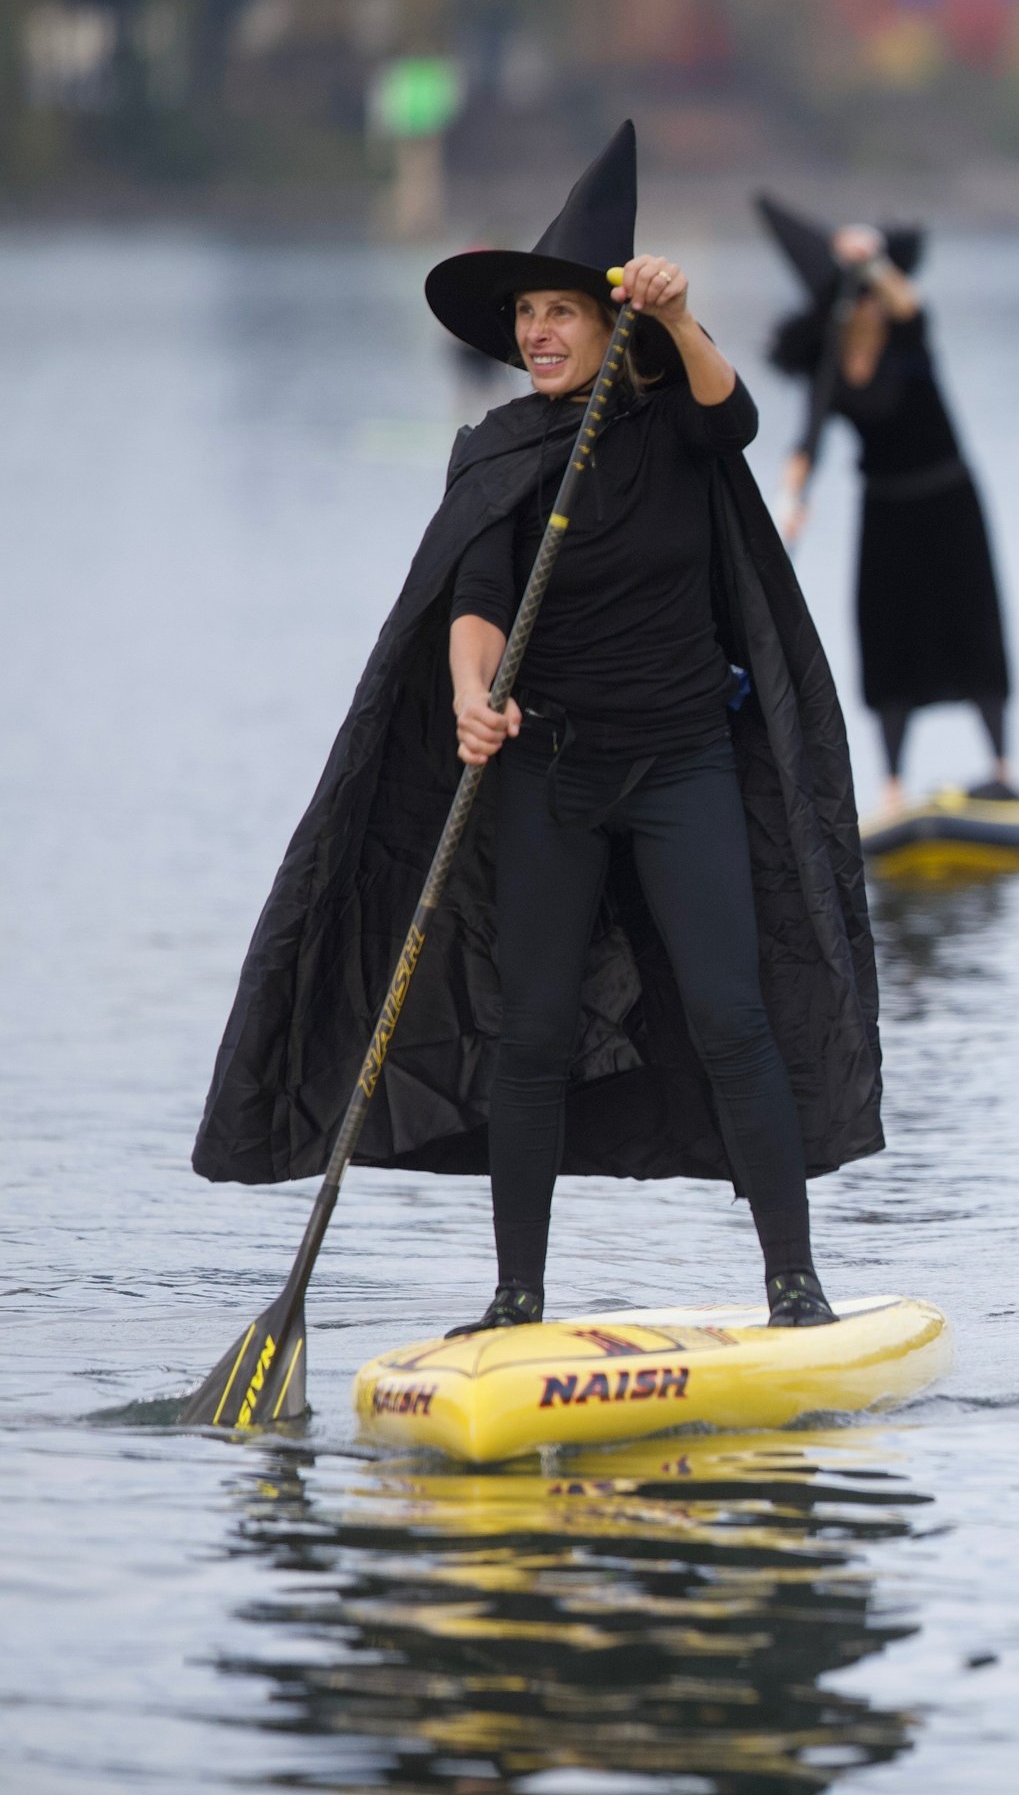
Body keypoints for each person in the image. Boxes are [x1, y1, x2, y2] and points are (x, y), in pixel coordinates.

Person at [192, 124, 886, 1332]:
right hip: (548, 774)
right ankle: (516, 1299)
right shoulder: (499, 450)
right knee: (533, 1031)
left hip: (682, 765)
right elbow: (471, 604)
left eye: (561, 311)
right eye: (525, 315)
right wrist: (472, 692)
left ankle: (794, 1286)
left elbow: (738, 418)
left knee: (732, 1014)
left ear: (608, 324)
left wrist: (678, 318)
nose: (537, 334)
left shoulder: (672, 424)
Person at [759, 195, 1017, 815]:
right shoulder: (829, 362)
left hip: (947, 500)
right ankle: (894, 788)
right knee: (887, 640)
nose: (869, 308)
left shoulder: (907, 332)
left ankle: (1001, 769)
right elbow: (809, 439)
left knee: (972, 626)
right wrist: (790, 499)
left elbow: (907, 301)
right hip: (886, 511)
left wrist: (869, 261)